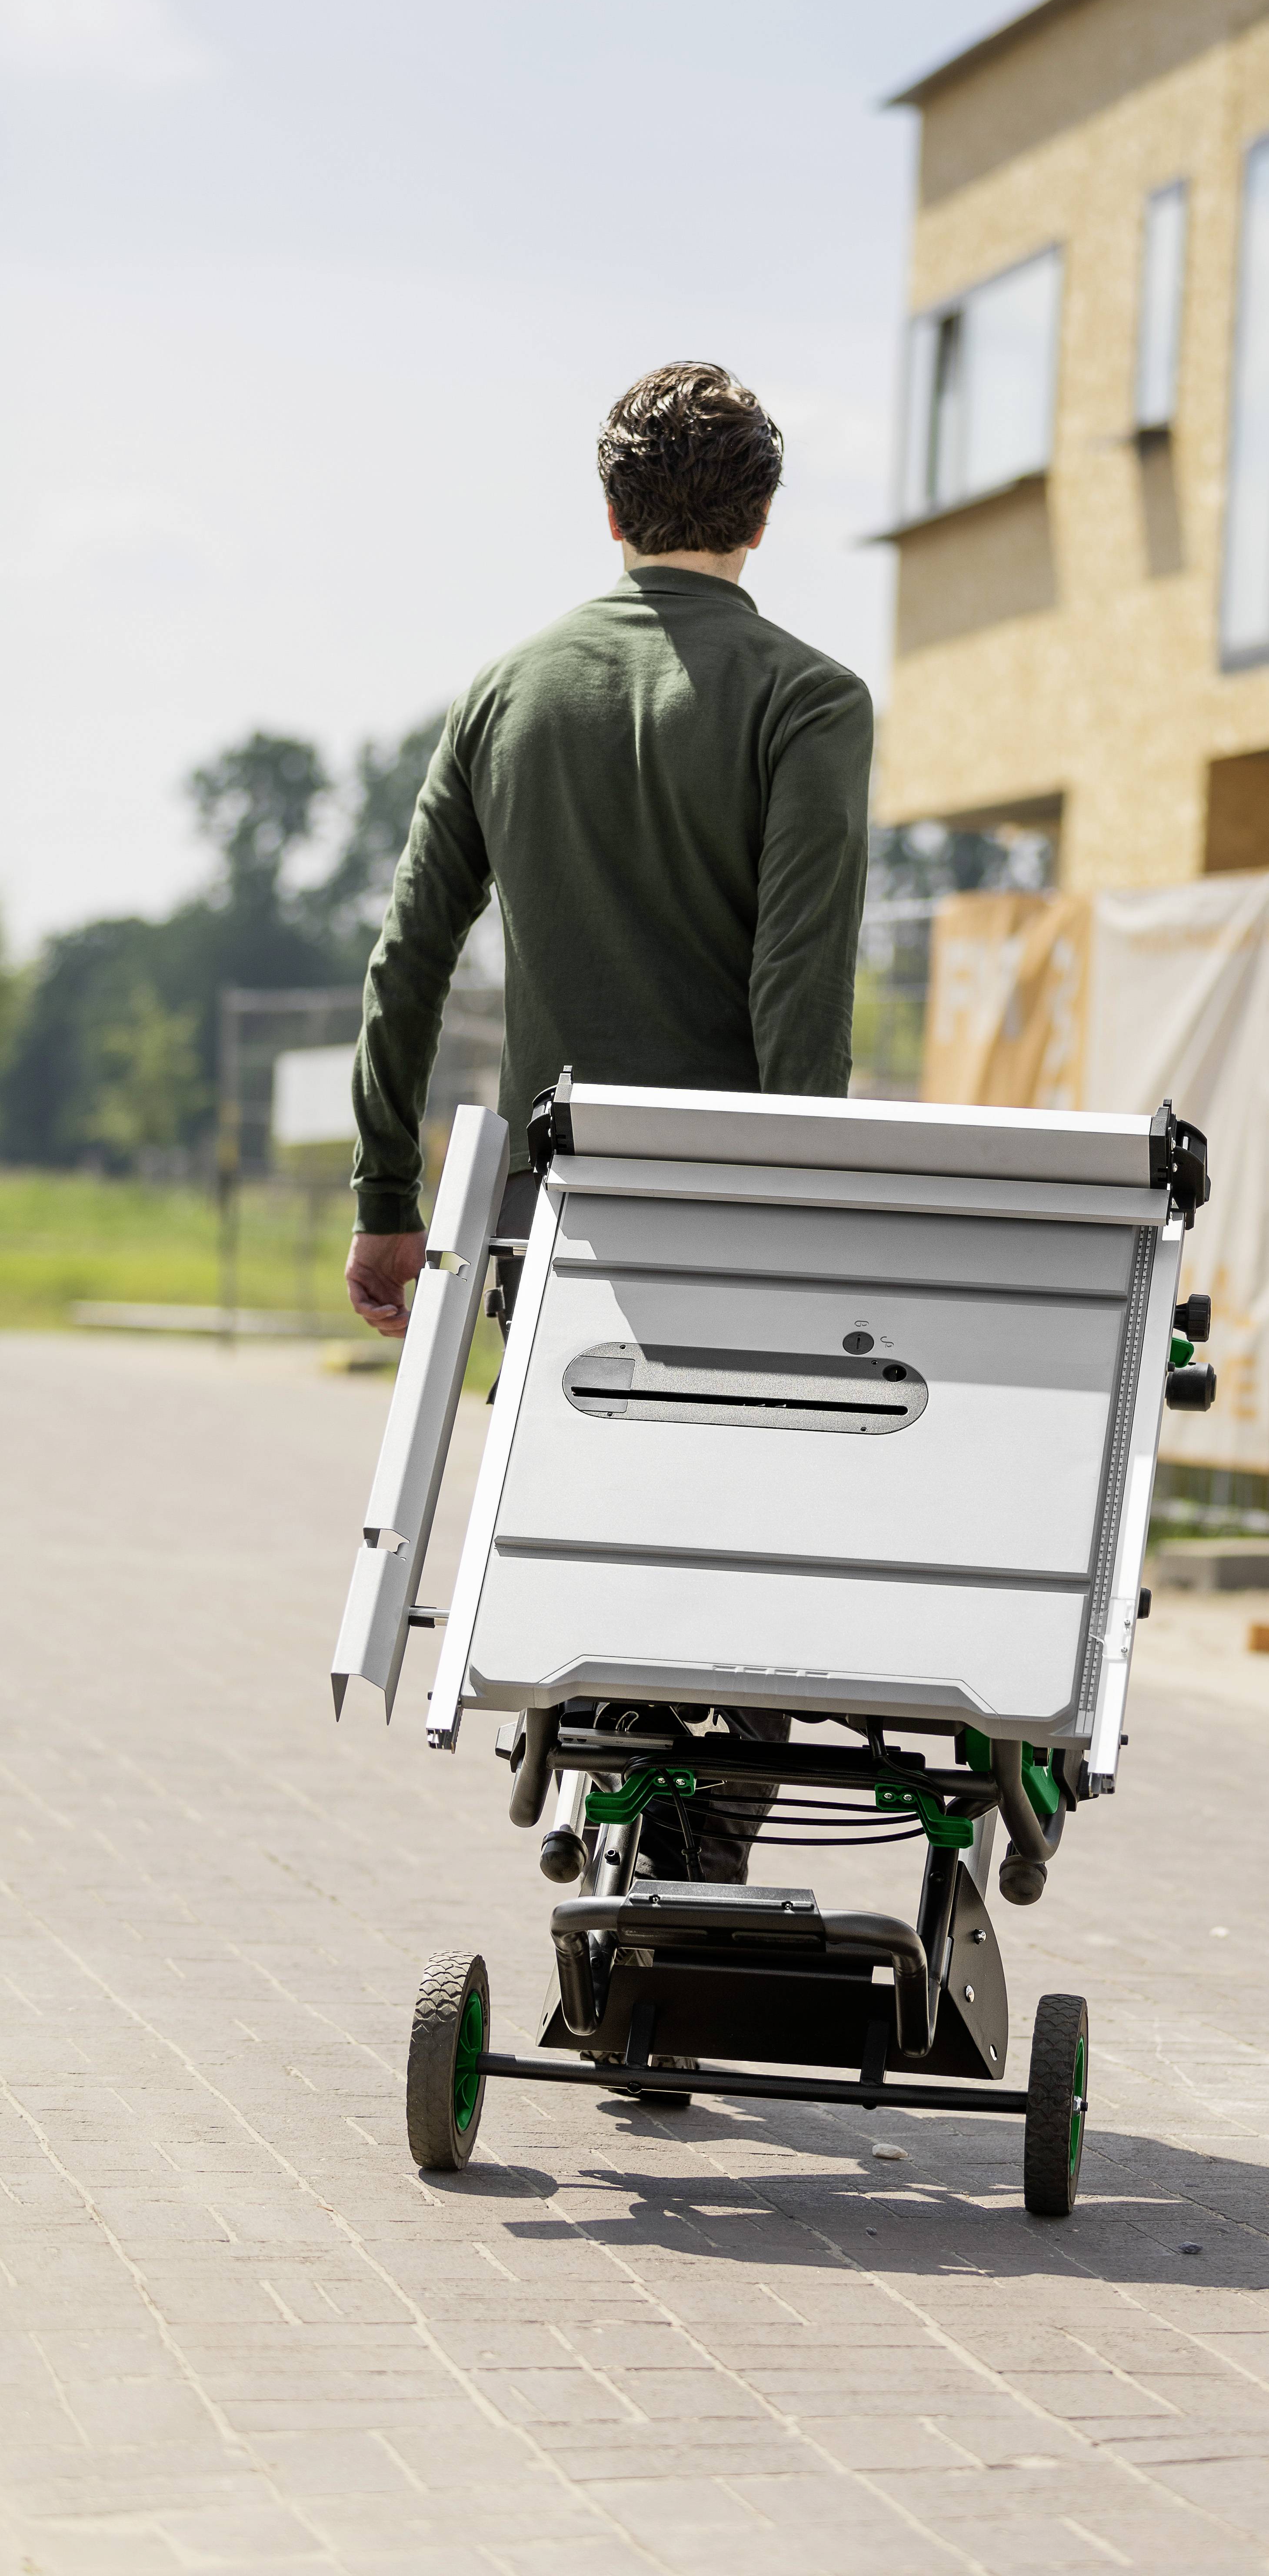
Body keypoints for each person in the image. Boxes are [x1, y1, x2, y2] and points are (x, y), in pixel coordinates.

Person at [342, 359, 873, 1896]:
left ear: (612, 511)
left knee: (598, 1479)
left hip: (559, 1213)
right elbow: (800, 987)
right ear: (763, 518)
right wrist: (800, 1208)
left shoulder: (510, 693)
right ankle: (701, 1831)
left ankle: (607, 1736)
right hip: (739, 1207)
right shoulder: (808, 699)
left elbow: (409, 957)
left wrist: (389, 1193)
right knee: (765, 1529)